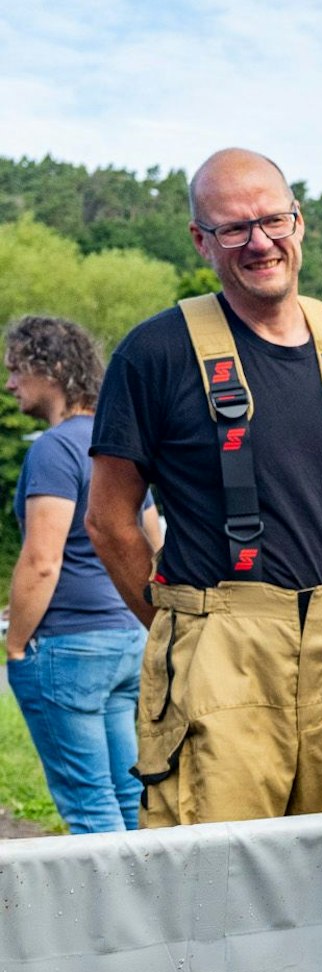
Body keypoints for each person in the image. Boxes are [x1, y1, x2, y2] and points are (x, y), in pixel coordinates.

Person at [86, 148, 322, 826]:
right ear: (201, 241)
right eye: (233, 227)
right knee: (215, 880)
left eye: (272, 220)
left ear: (300, 222)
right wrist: (181, 625)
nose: (259, 241)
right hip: (218, 653)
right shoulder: (156, 353)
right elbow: (109, 520)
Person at [4, 317, 161, 833]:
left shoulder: (53, 448)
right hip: (125, 640)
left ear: (47, 368)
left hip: (68, 647)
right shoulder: (118, 441)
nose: (9, 385)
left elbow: (42, 560)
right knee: (127, 795)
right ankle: (149, 911)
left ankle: (112, 916)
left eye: (14, 370)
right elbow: (154, 538)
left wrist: (17, 646)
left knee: (89, 808)